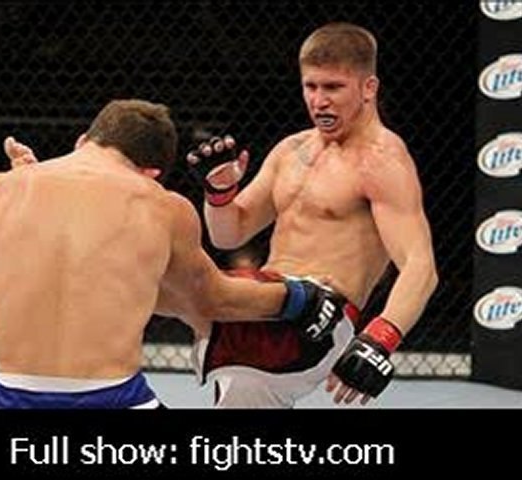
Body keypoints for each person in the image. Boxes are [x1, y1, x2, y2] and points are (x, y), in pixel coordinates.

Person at [0, 98, 349, 409]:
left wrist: (25, 175)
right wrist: (300, 297)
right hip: (111, 399)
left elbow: (63, 270)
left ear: (83, 140)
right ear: (152, 173)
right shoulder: (160, 206)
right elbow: (211, 301)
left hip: (7, 398)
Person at [186, 22, 438, 407]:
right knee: (175, 276)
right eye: (311, 86)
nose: (319, 101)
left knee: (186, 284)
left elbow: (420, 266)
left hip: (320, 316)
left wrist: (380, 338)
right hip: (264, 300)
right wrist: (219, 194)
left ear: (368, 88)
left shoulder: (381, 161)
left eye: (333, 87)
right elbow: (229, 234)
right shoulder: (291, 151)